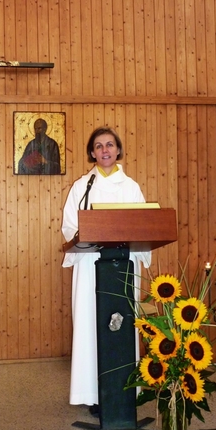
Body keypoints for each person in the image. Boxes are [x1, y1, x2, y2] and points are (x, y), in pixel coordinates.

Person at [61, 126, 151, 408]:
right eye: (99, 146)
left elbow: (145, 227)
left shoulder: (131, 187)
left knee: (122, 324)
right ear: (92, 153)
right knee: (92, 324)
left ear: (118, 150)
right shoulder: (82, 186)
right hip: (91, 267)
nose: (105, 150)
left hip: (123, 265)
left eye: (110, 145)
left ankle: (126, 390)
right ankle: (93, 394)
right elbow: (70, 226)